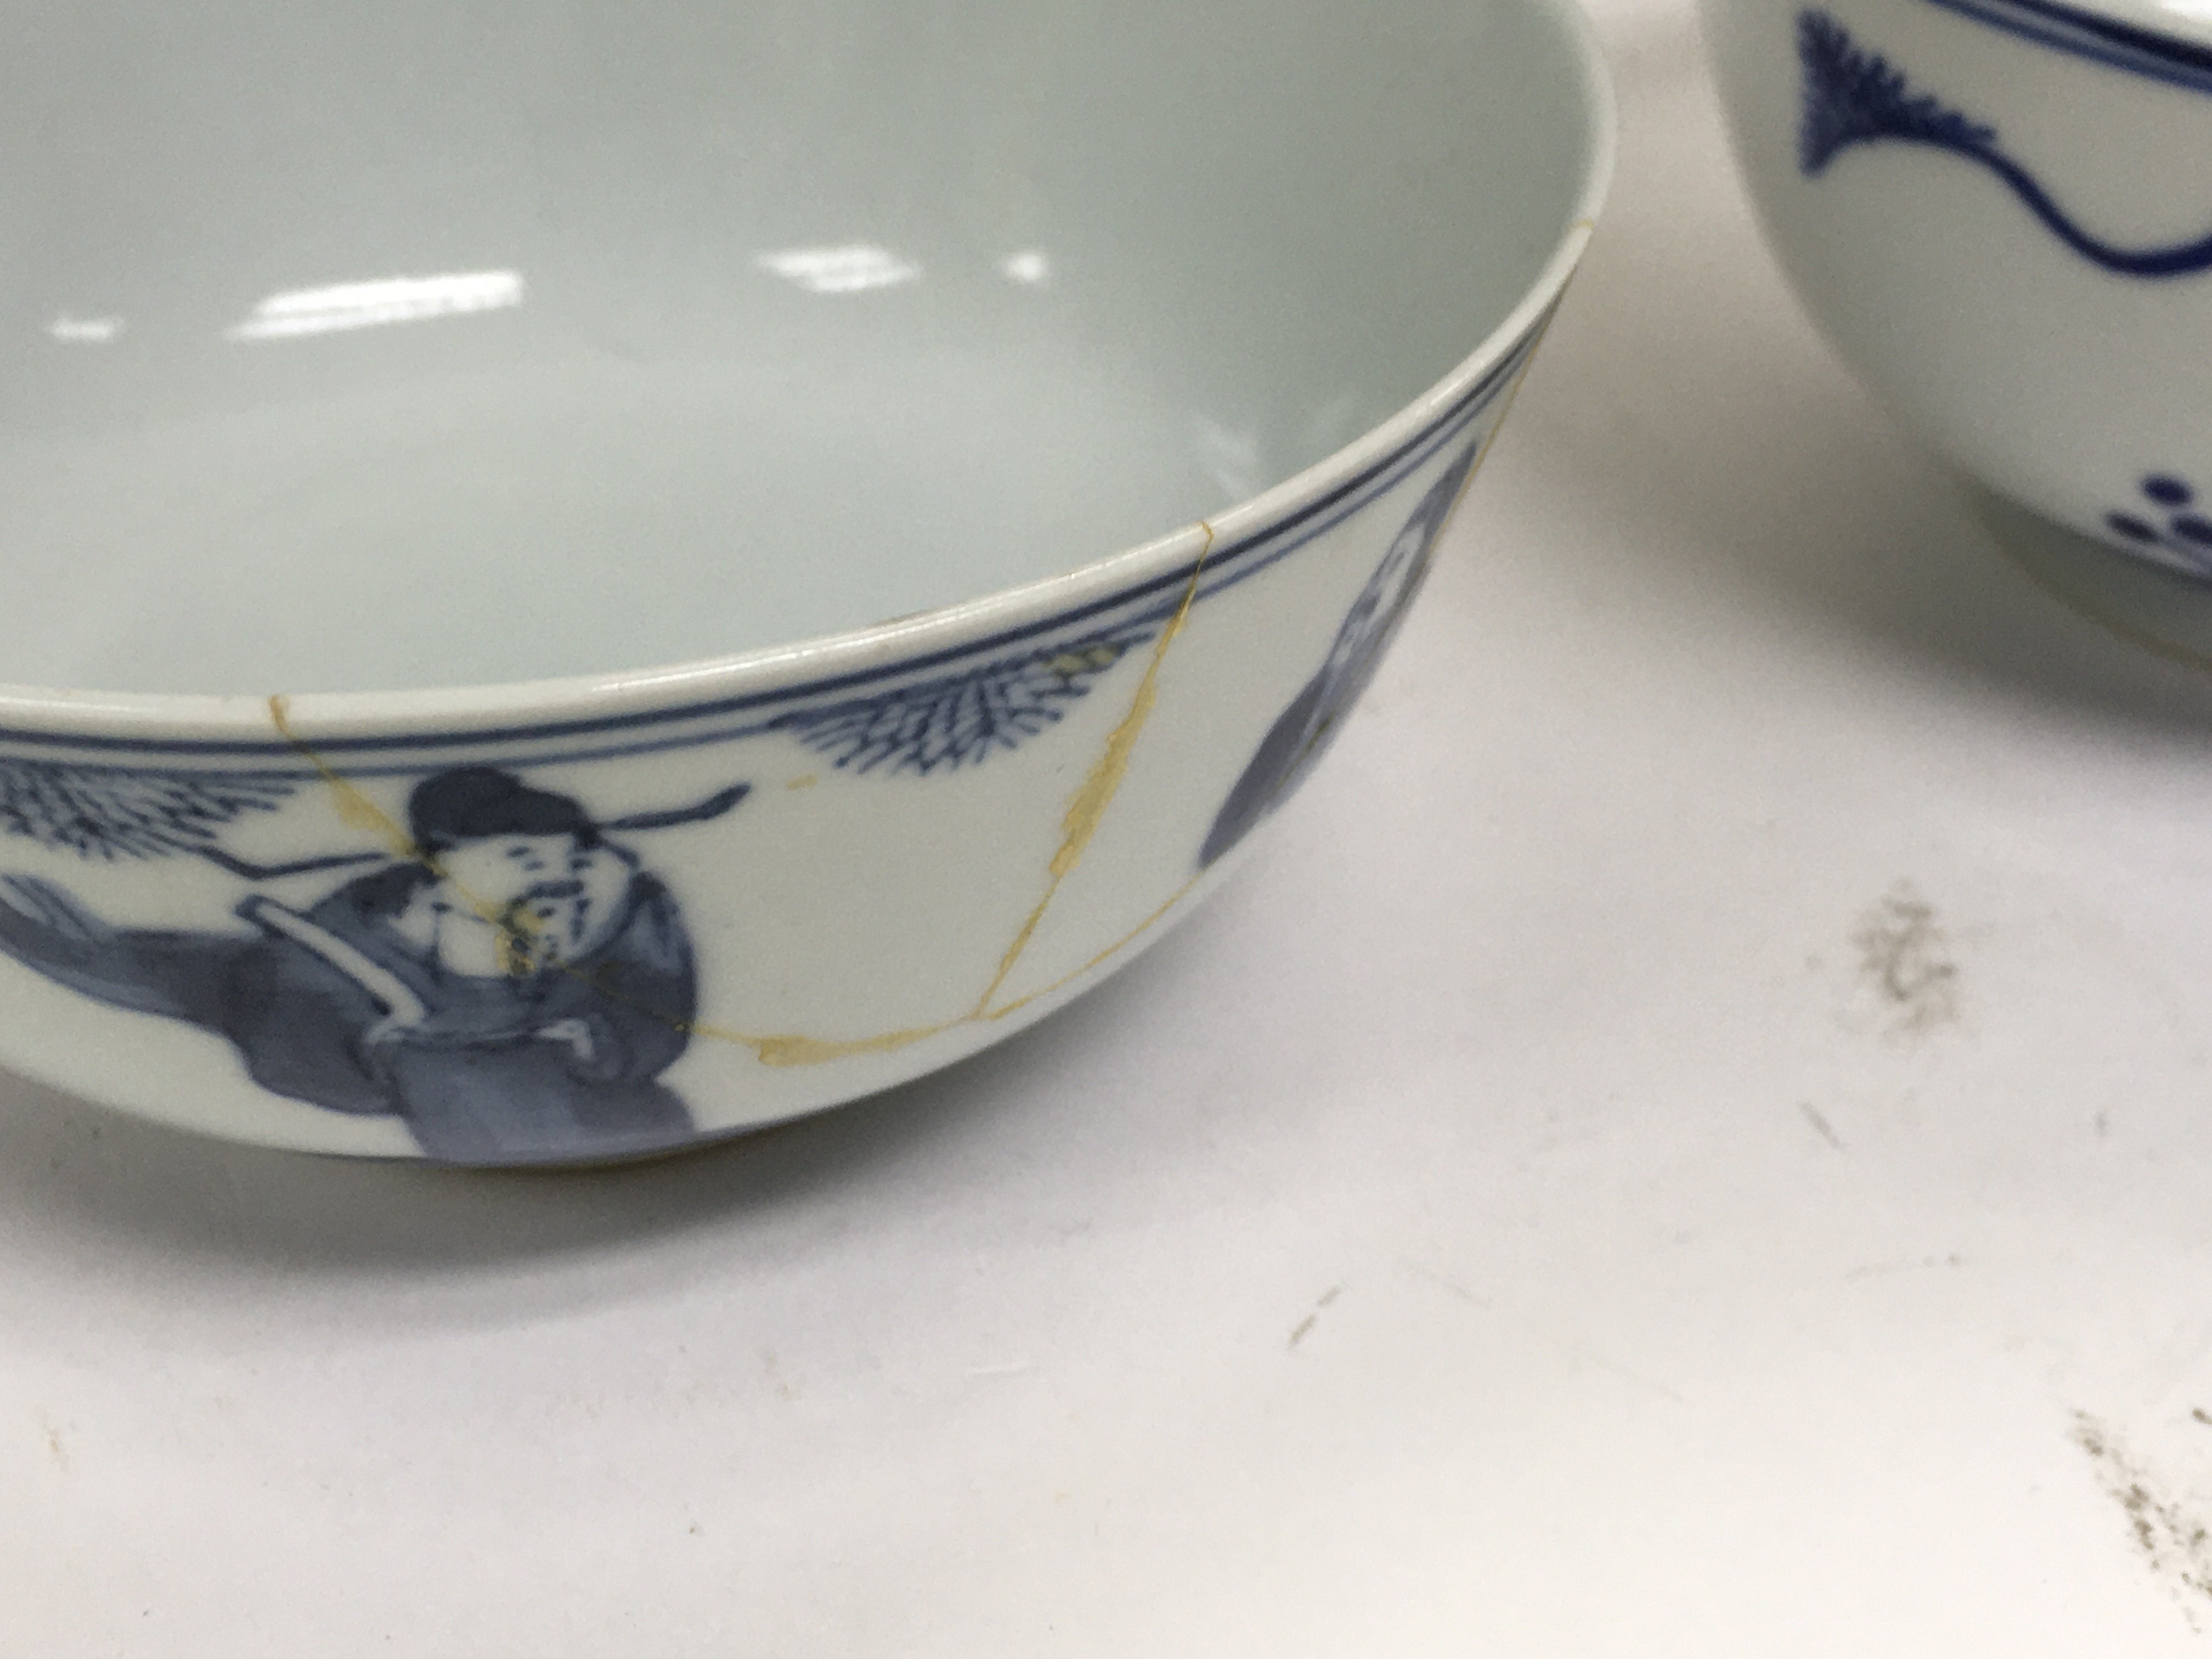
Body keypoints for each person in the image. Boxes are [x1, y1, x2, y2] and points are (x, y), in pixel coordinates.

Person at [0, 766, 742, 1164]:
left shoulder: (620, 911)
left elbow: (653, 1003)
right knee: (134, 964)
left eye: (571, 857)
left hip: (589, 1104)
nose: (557, 877)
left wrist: (599, 1044)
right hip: (431, 1086)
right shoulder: (341, 944)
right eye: (521, 856)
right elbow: (297, 1030)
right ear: (443, 865)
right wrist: (375, 1053)